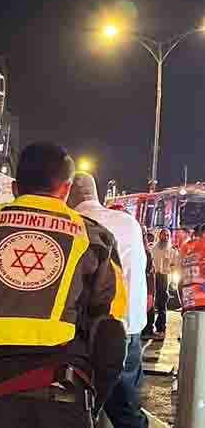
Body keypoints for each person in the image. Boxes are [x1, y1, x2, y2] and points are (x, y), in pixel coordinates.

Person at [0, 142, 127, 428]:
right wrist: (90, 403)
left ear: (15, 187)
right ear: (66, 190)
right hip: (63, 400)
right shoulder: (95, 239)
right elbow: (111, 338)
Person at [68, 172, 148, 428]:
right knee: (127, 411)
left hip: (88, 333)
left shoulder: (73, 224)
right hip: (130, 328)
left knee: (76, 407)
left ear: (67, 194)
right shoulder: (130, 223)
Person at [144, 228, 178, 339]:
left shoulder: (172, 251)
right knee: (150, 303)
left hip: (164, 278)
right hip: (153, 277)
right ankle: (148, 329)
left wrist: (173, 281)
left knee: (162, 304)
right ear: (159, 236)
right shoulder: (152, 249)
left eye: (168, 235)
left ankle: (161, 329)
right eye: (164, 235)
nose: (166, 237)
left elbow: (174, 266)